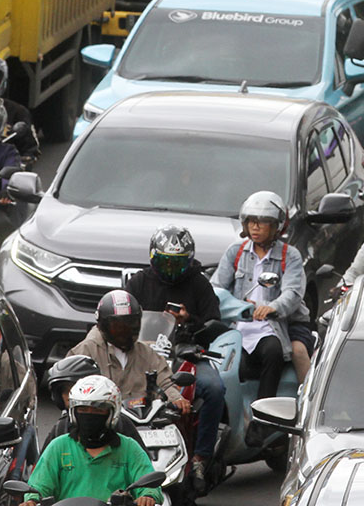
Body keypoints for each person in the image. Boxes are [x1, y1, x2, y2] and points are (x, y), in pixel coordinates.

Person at [125, 225, 225, 492]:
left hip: (185, 354)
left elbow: (214, 321)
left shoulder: (199, 283)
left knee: (214, 388)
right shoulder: (137, 283)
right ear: (152, 257)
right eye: (164, 262)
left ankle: (201, 456)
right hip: (142, 356)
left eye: (177, 263)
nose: (170, 269)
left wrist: (189, 320)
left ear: (189, 261)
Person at [210, 191, 313, 396]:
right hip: (240, 324)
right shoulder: (235, 252)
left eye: (263, 222)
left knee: (277, 352)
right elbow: (217, 288)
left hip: (277, 324)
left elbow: (292, 293)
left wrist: (272, 307)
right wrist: (237, 308)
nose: (255, 227)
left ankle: (270, 411)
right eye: (251, 221)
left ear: (276, 226)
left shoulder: (290, 255)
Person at [24, 375, 160, 506]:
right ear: (74, 413)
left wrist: (147, 496)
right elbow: (38, 486)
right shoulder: (58, 447)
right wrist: (32, 500)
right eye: (83, 409)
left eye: (98, 410)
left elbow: (148, 483)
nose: (89, 415)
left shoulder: (129, 448)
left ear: (112, 413)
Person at [69, 290, 192, 414]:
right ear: (103, 326)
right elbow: (68, 387)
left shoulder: (146, 352)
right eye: (117, 327)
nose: (125, 332)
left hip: (144, 420)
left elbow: (165, 381)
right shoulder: (85, 351)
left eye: (131, 324)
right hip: (101, 422)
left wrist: (176, 398)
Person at [40, 354, 145, 452]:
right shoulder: (61, 429)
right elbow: (42, 469)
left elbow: (144, 467)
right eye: (66, 391)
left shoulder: (123, 426)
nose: (71, 396)